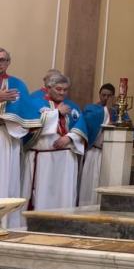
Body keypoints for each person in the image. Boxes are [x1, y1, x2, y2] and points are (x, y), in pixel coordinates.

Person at [22, 73, 85, 212]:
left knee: (64, 192)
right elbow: (30, 125)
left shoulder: (72, 106)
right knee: (43, 194)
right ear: (48, 88)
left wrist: (69, 138)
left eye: (65, 90)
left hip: (66, 159)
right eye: (58, 89)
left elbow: (81, 127)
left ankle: (63, 222)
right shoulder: (35, 102)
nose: (62, 93)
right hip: (44, 159)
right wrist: (57, 113)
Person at [78, 83, 131, 206]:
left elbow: (128, 126)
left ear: (114, 96)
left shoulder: (119, 111)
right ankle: (88, 205)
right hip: (95, 152)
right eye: (103, 95)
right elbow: (90, 121)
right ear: (99, 95)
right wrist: (106, 110)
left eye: (109, 96)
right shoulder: (92, 108)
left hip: (113, 155)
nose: (106, 98)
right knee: (91, 181)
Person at [0, 48, 32, 229]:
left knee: (8, 178)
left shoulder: (18, 84)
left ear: (8, 62)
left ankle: (7, 224)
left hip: (7, 137)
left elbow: (26, 112)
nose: (0, 63)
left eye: (3, 60)